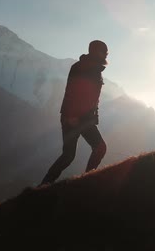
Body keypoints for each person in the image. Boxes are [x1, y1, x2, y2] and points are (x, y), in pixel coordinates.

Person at [40, 40, 109, 185]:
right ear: (96, 52)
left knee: (69, 155)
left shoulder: (91, 68)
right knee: (95, 149)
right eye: (104, 51)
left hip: (82, 117)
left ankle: (44, 185)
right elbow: (73, 91)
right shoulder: (84, 68)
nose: (106, 54)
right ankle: (86, 181)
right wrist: (71, 116)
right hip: (76, 117)